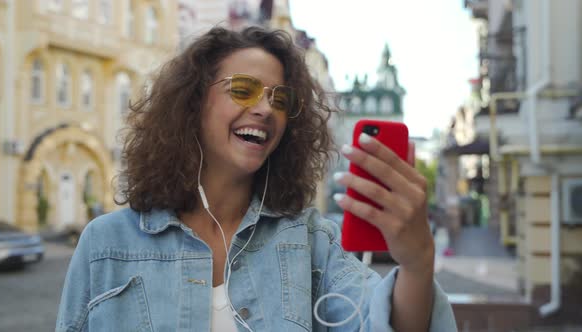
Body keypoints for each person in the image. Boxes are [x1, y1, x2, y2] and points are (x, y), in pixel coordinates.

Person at [56, 26, 457, 332]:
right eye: (244, 90)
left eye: (281, 99)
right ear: (193, 103)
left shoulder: (311, 240)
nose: (266, 109)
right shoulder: (105, 244)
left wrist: (418, 261)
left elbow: (376, 322)